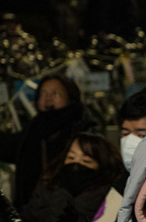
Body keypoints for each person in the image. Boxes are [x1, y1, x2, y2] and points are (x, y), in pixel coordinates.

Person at [0, 74, 98, 210]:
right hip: (34, 210)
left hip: (71, 210)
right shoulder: (35, 127)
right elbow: (10, 147)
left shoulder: (82, 128)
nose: (48, 98)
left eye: (56, 93)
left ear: (70, 97)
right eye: (42, 94)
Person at [21, 132, 123, 222]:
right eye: (71, 158)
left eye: (86, 161)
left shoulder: (110, 197)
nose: (76, 165)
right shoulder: (48, 188)